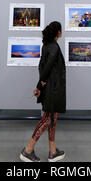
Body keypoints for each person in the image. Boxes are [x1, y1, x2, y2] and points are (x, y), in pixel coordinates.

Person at [20, 21, 66, 163]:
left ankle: (53, 151)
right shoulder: (54, 48)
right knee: (47, 119)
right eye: (61, 30)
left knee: (52, 119)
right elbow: (46, 69)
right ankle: (28, 150)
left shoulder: (46, 46)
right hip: (54, 89)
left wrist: (40, 85)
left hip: (50, 87)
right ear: (58, 32)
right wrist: (40, 86)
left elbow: (41, 67)